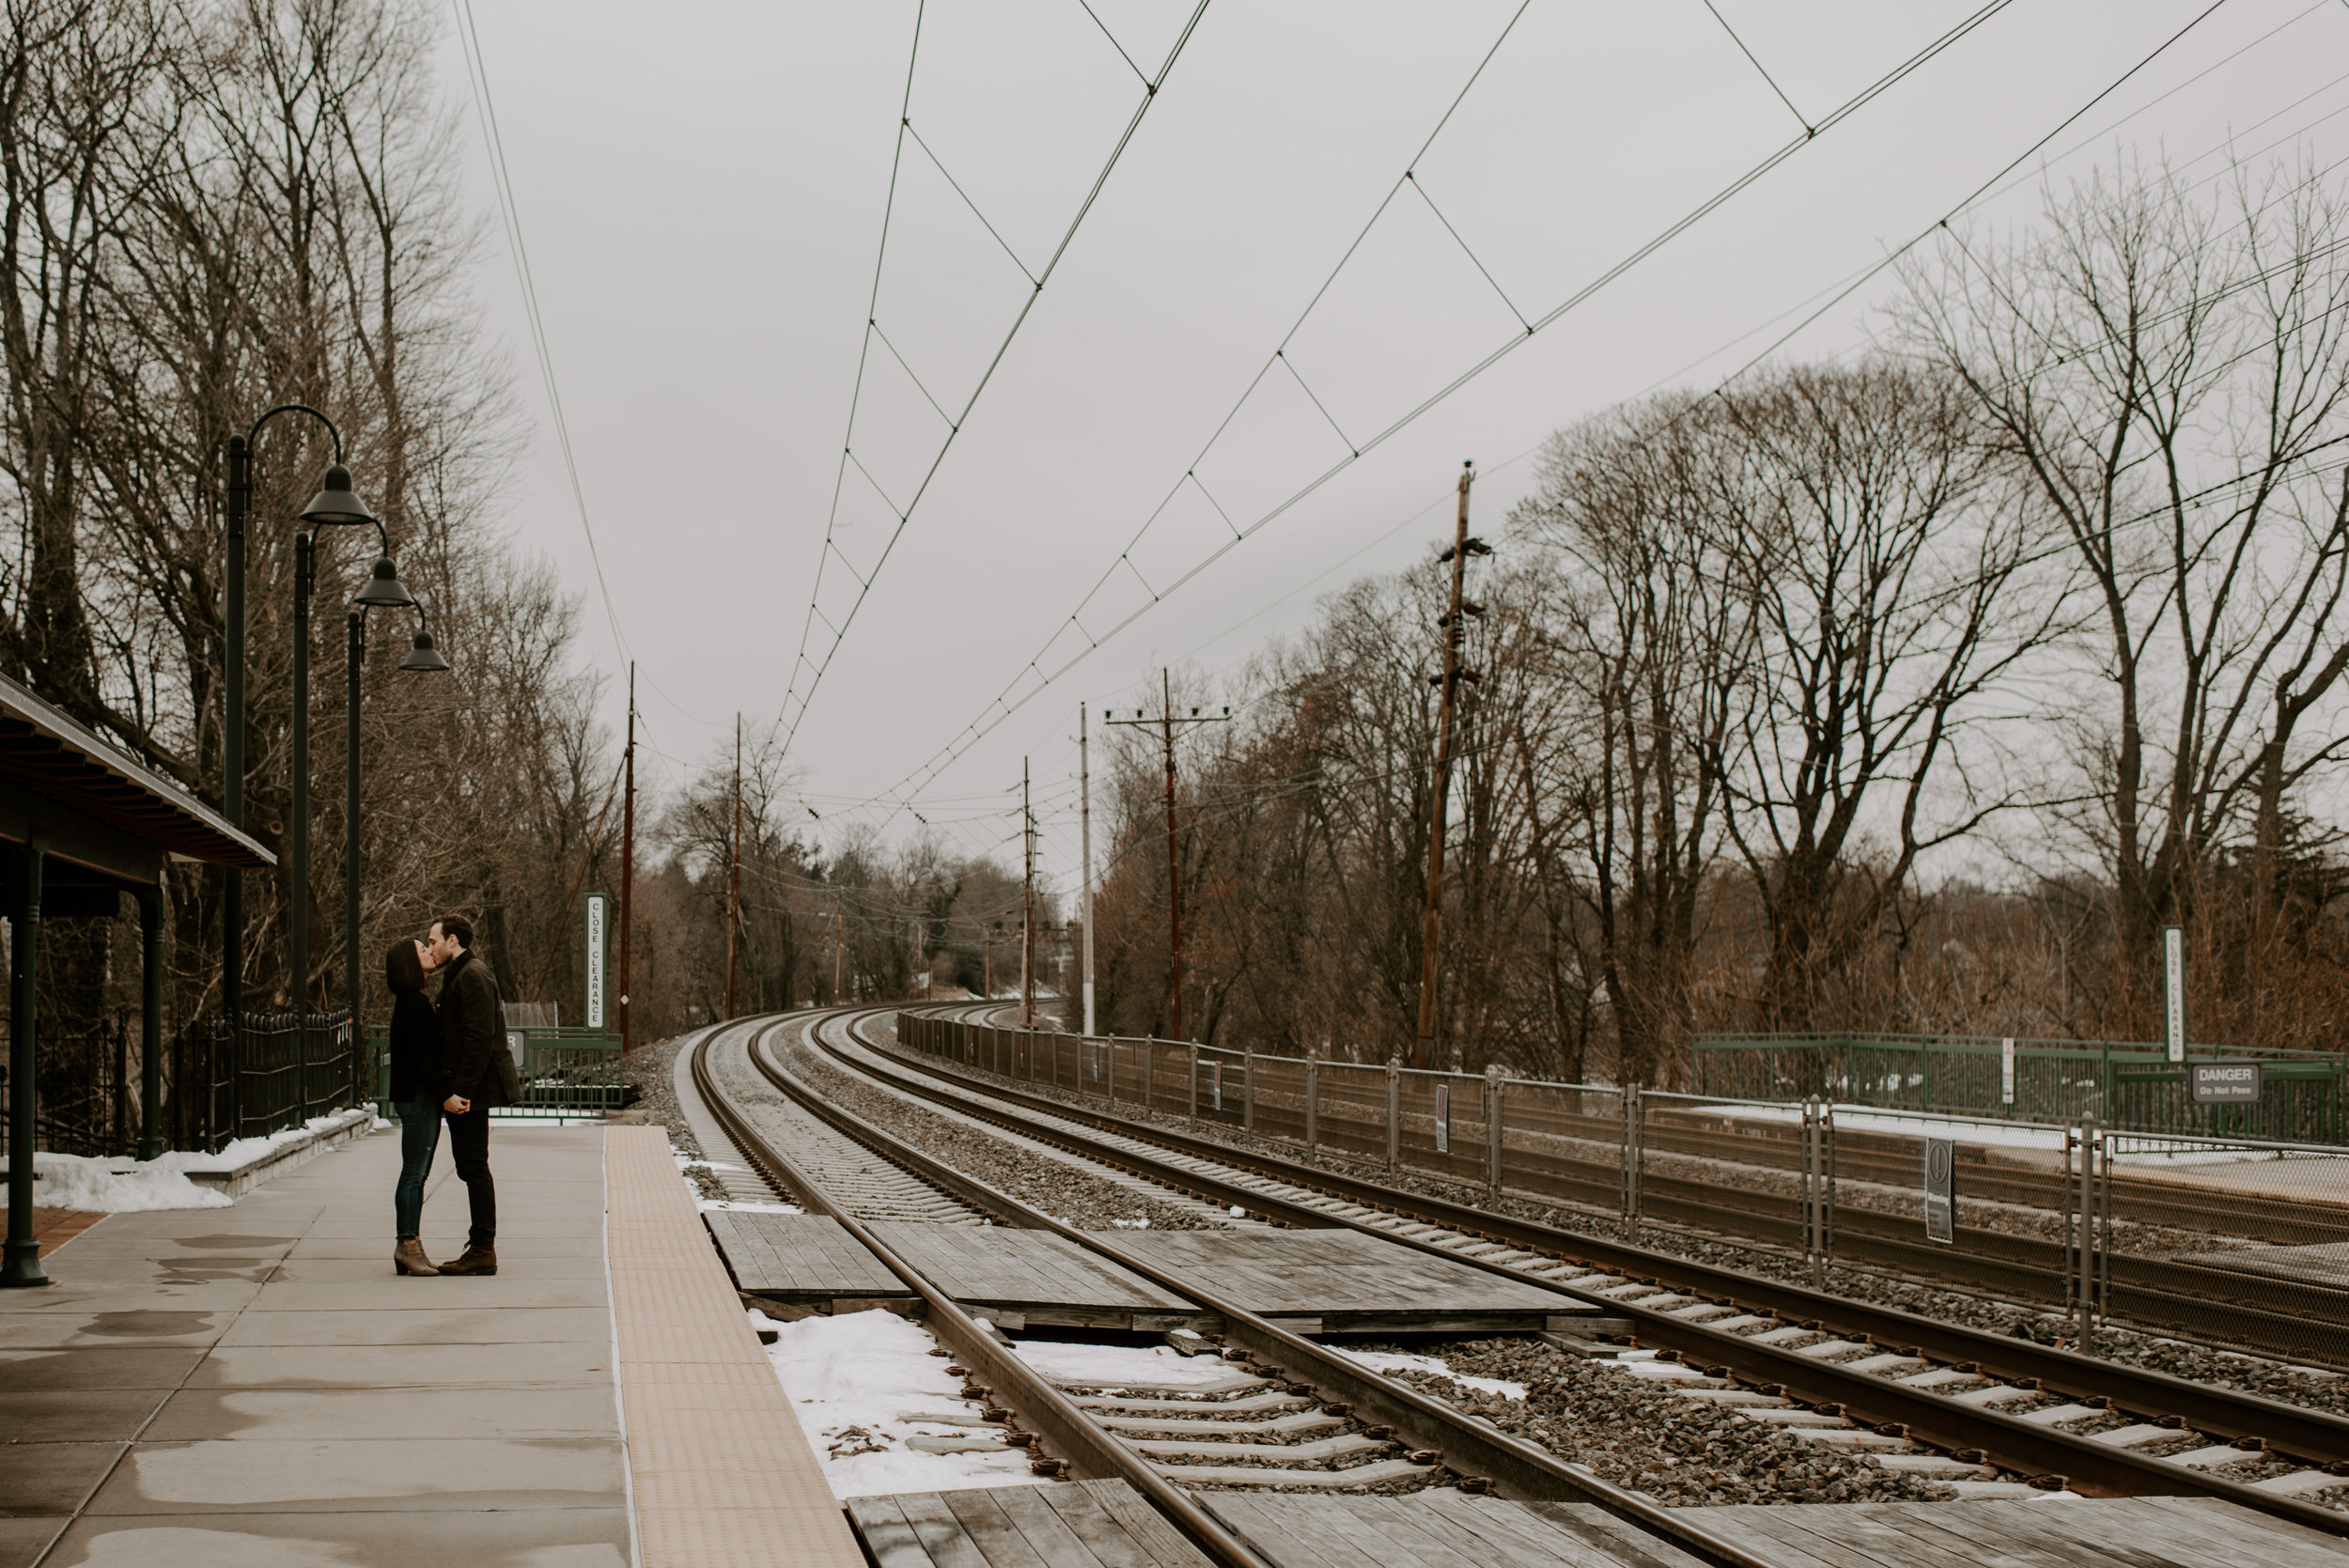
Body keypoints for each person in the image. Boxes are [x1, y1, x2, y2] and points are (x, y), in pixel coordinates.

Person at [427, 913, 516, 1275]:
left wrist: (460, 1092)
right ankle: (481, 1247)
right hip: (471, 1089)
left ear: (452, 941)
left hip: (471, 1091)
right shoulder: (462, 973)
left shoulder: (472, 974)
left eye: (433, 940)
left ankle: (482, 1249)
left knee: (474, 1166)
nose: (430, 946)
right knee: (471, 1166)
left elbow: (480, 1039)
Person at [385, 939, 443, 1277]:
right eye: (423, 949)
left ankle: (411, 1244)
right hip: (418, 1097)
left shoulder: (411, 1002)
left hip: (417, 1097)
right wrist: (446, 1093)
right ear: (410, 962)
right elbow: (423, 1062)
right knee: (413, 1173)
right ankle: (407, 1245)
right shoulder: (413, 1005)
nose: (430, 952)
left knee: (417, 1173)